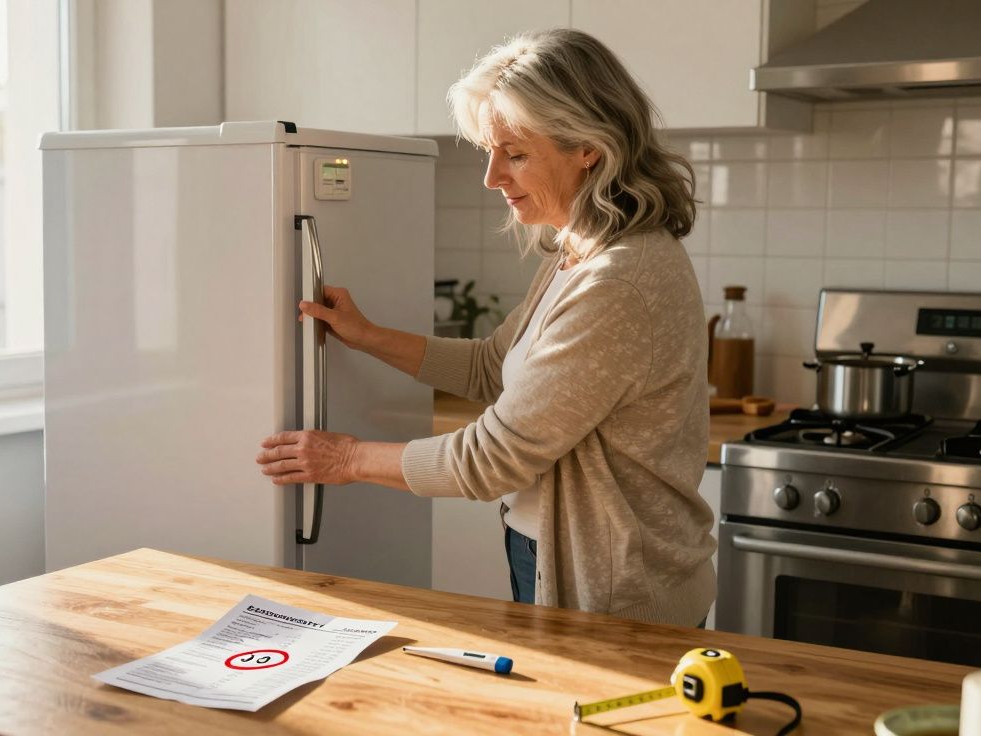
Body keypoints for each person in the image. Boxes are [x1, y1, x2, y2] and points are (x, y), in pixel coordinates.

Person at [255, 28, 714, 627]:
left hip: (615, 586)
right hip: (553, 554)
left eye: (515, 153)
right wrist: (367, 335)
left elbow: (490, 460)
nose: (492, 176)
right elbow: (492, 368)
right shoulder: (578, 253)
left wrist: (345, 459)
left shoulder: (617, 281)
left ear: (588, 148)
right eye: (489, 151)